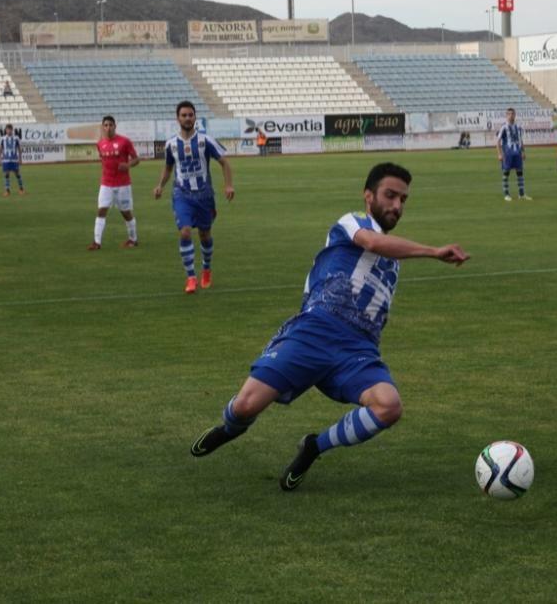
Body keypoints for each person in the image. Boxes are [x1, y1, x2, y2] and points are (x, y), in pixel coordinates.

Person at [190, 162, 470, 490]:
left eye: (403, 200)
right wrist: (434, 251)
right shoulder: (351, 222)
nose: (397, 205)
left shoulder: (395, 262)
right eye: (390, 196)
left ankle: (314, 447)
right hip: (315, 331)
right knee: (245, 406)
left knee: (389, 406)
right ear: (369, 196)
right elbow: (373, 243)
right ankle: (229, 429)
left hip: (358, 350)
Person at [154, 101, 234, 294]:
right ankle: (191, 277)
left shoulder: (205, 140)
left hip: (204, 195)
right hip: (182, 194)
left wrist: (228, 185)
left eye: (190, 115)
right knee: (185, 232)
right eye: (184, 115)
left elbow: (224, 162)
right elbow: (168, 168)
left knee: (205, 235)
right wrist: (160, 186)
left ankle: (206, 269)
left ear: (195, 117)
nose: (187, 118)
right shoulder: (171, 144)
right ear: (178, 118)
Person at [89, 115, 140, 250]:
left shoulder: (125, 142)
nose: (108, 127)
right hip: (106, 184)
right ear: (103, 127)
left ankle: (133, 239)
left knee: (126, 213)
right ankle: (97, 242)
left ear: (115, 126)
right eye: (105, 125)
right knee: (101, 211)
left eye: (110, 125)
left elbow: (136, 159)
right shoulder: (100, 144)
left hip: (123, 184)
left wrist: (127, 165)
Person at [496, 108, 528, 201]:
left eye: (512, 114)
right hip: (508, 154)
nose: (511, 116)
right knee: (506, 173)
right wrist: (499, 154)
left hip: (517, 153)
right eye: (509, 114)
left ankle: (521, 194)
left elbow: (520, 141)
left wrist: (523, 152)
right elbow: (498, 142)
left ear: (515, 115)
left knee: (520, 173)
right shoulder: (504, 128)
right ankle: (506, 194)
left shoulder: (518, 127)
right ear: (506, 116)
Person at [0, 124, 24, 196]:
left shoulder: (16, 138)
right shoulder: (2, 138)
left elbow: (19, 148)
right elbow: (0, 149)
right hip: (6, 159)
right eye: (7, 129)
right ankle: (7, 190)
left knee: (17, 174)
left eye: (10, 129)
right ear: (6, 130)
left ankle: (21, 189)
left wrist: (20, 158)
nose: (9, 131)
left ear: (12, 130)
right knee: (6, 174)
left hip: (14, 159)